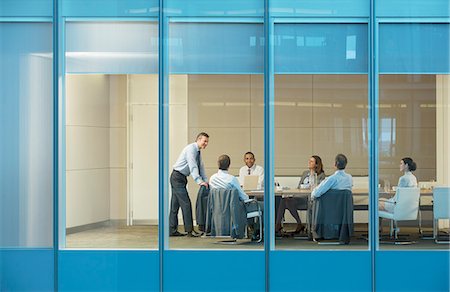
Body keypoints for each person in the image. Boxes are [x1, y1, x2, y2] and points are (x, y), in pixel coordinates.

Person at [210, 154, 263, 240]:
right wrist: (249, 199)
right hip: (234, 209)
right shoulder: (231, 179)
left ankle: (251, 230)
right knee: (264, 206)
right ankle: (257, 233)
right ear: (229, 165)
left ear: (218, 164)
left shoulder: (212, 179)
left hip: (218, 208)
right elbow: (243, 197)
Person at [169, 132, 209, 237]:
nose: (206, 143)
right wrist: (199, 181)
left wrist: (205, 180)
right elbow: (193, 166)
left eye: (207, 142)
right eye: (204, 141)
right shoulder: (191, 149)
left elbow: (201, 167)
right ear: (198, 139)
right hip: (177, 177)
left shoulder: (198, 151)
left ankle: (171, 230)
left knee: (175, 205)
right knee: (186, 203)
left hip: (180, 178)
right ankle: (189, 230)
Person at [275, 155, 326, 234]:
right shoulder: (305, 173)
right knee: (283, 200)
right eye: (309, 161)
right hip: (299, 197)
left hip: (309, 199)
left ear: (316, 164)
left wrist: (311, 180)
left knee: (287, 202)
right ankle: (278, 225)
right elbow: (299, 187)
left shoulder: (321, 175)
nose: (309, 163)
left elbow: (318, 188)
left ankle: (297, 224)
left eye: (311, 161)